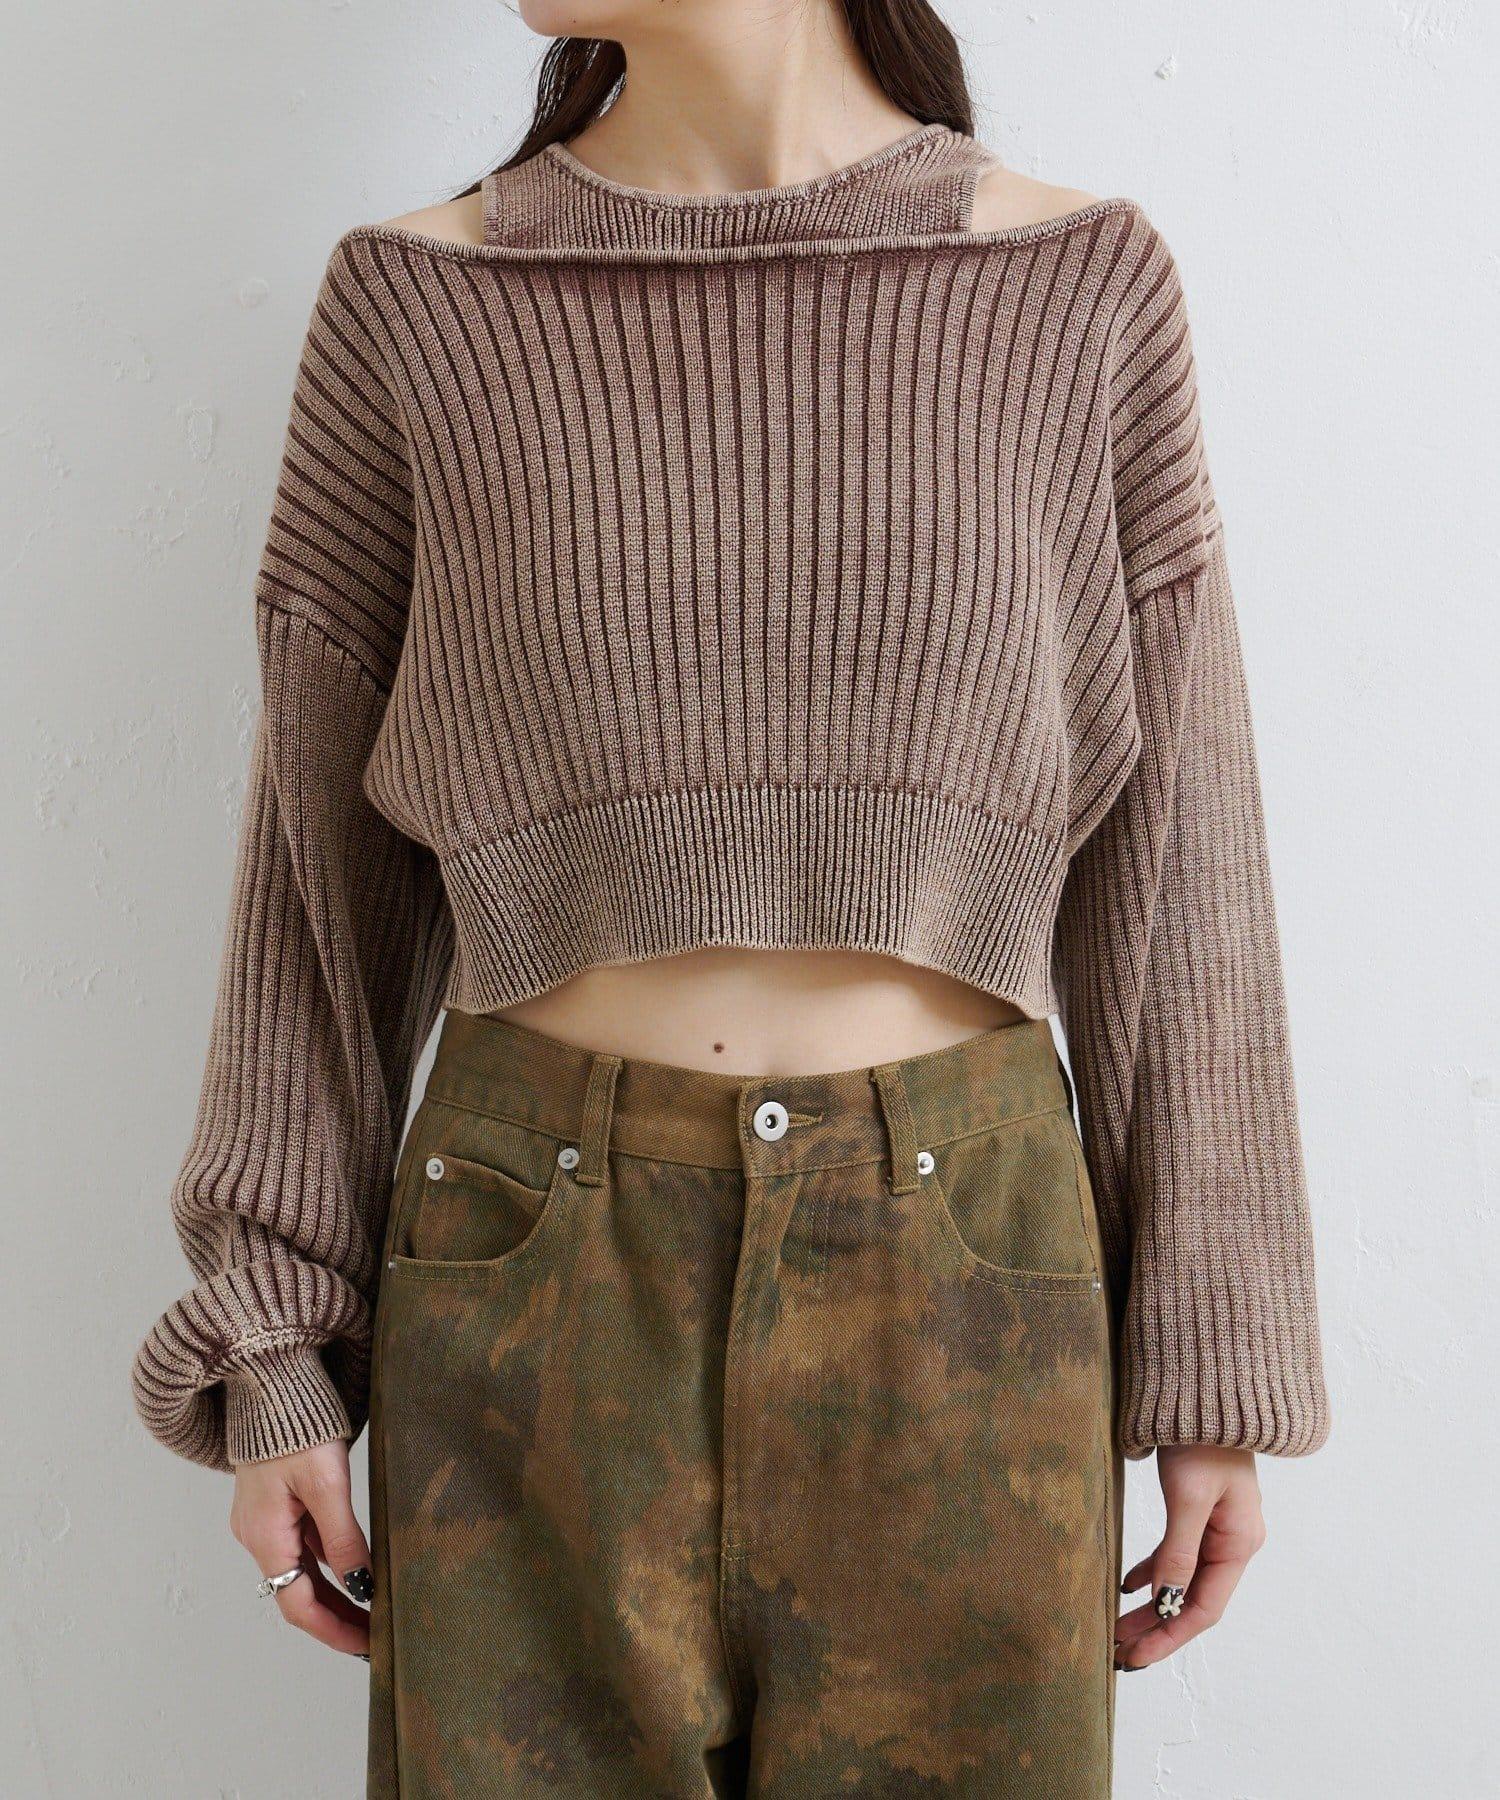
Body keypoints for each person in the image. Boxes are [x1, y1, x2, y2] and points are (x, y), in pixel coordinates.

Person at [132, 1, 1330, 1792]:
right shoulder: (420, 304)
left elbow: (1183, 861)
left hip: (968, 1284)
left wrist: (1212, 1371)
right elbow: (318, 876)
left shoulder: (1077, 289)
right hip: (529, 1277)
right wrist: (275, 1342)